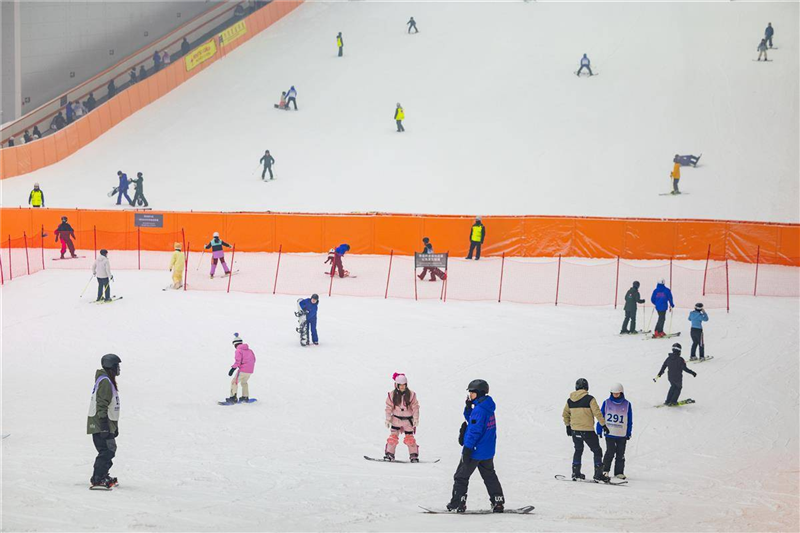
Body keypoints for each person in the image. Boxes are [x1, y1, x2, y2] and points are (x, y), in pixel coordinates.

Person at [447, 379, 504, 513]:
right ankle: (498, 501)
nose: (470, 395)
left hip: (475, 450)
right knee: (490, 476)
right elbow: (475, 421)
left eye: (472, 393)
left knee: (460, 476)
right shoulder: (487, 407)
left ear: (479, 393)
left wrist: (467, 448)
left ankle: (457, 503)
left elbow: (474, 430)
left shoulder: (479, 410)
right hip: (487, 450)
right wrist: (468, 408)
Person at [563, 378, 610, 482]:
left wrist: (568, 426)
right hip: (588, 431)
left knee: (578, 450)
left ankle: (576, 473)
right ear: (586, 387)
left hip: (575, 430)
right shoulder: (590, 399)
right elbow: (597, 413)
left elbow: (565, 414)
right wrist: (604, 425)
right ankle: (598, 475)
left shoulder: (570, 400)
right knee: (597, 451)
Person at [87, 354, 122, 489]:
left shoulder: (106, 380)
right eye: (117, 365)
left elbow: (111, 406)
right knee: (106, 450)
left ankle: (102, 475)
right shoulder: (105, 382)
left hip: (105, 423)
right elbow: (102, 403)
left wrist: (113, 427)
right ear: (110, 366)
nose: (119, 368)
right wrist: (104, 425)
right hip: (101, 423)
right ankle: (98, 478)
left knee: (109, 449)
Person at [596, 383, 632, 480]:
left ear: (621, 393)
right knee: (609, 452)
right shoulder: (607, 403)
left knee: (620, 454)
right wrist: (599, 429)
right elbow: (601, 416)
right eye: (614, 393)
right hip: (610, 433)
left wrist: (628, 432)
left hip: (622, 434)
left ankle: (619, 472)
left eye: (617, 393)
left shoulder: (627, 404)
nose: (615, 395)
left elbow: (629, 419)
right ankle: (605, 470)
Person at [384, 372, 420, 462]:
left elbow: (415, 407)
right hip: (396, 419)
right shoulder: (392, 395)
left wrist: (415, 419)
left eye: (404, 385)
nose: (402, 387)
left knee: (410, 438)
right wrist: (388, 419)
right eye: (400, 385)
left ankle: (413, 455)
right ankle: (389, 454)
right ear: (396, 385)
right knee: (393, 437)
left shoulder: (411, 395)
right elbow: (388, 408)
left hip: (408, 421)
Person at [224, 333, 256, 404]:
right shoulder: (249, 350)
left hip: (243, 370)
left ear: (235, 344)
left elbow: (238, 361)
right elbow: (254, 359)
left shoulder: (238, 350)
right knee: (244, 382)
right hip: (250, 371)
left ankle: (233, 398)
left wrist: (232, 369)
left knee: (234, 382)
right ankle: (245, 397)